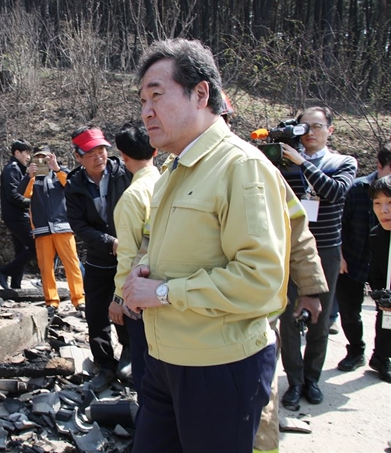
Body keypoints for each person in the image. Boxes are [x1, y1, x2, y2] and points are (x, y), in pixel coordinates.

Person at [122, 38, 290, 452]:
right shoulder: (174, 168)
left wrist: (163, 292)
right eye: (142, 99)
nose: (146, 111)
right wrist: (143, 270)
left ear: (201, 93)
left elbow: (260, 280)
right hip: (165, 360)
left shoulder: (241, 166)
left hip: (219, 365)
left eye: (157, 95)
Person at [221, 93, 328, 453]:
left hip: (252, 321)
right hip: (198, 322)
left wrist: (311, 288)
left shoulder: (252, 165)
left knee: (258, 411)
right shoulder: (179, 168)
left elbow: (297, 227)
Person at [278, 107, 357, 409]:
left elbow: (335, 192)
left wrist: (302, 163)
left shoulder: (342, 162)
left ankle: (312, 379)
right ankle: (295, 381)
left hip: (325, 251)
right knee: (287, 318)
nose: (310, 132)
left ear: (330, 130)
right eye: (304, 127)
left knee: (320, 319)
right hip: (291, 250)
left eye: (317, 126)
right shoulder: (285, 163)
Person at [65, 125, 132, 392]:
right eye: (91, 152)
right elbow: (79, 225)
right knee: (96, 315)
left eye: (102, 149)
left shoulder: (123, 173)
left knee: (128, 309)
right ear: (78, 156)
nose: (99, 156)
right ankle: (104, 365)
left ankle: (129, 356)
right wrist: (108, 242)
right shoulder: (74, 185)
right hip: (98, 258)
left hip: (128, 256)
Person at [109, 123, 159, 401]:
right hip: (167, 288)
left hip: (140, 292)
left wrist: (119, 299)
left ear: (123, 157)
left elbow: (128, 254)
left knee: (144, 367)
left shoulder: (132, 197)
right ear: (155, 150)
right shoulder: (167, 183)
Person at [337, 146, 391, 373]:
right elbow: (337, 222)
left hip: (384, 262)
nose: (383, 208)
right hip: (354, 258)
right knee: (350, 310)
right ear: (379, 166)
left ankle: (381, 357)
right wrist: (339, 255)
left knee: (386, 310)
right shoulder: (357, 189)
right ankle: (355, 351)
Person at [17, 145, 85, 315]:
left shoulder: (60, 173)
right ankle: (51, 302)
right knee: (46, 268)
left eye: (45, 158)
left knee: (72, 265)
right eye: (38, 158)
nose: (42, 162)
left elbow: (72, 185)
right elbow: (23, 194)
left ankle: (79, 299)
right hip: (42, 230)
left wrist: (58, 168)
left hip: (63, 227)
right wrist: (28, 176)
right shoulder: (33, 179)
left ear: (51, 158)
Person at [0, 139, 35, 290]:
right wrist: (30, 203)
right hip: (16, 215)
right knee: (35, 245)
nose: (28, 157)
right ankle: (3, 272)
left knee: (22, 250)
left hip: (17, 214)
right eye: (26, 153)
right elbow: (13, 194)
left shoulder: (18, 169)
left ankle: (15, 286)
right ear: (17, 153)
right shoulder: (12, 169)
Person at [368, 174, 391, 383]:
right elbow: (375, 273)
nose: (383, 210)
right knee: (384, 319)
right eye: (377, 203)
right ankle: (381, 357)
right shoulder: (377, 235)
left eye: (390, 203)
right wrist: (378, 293)